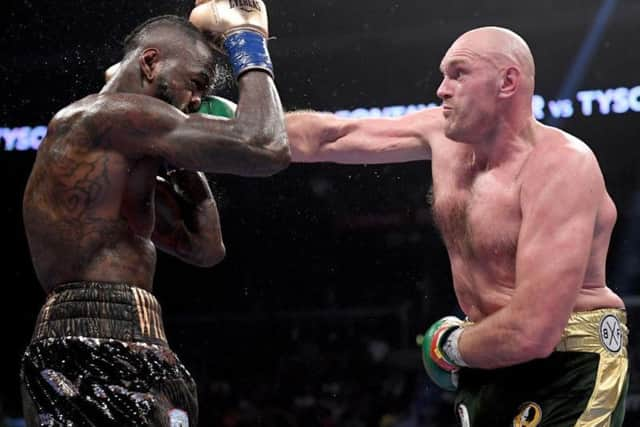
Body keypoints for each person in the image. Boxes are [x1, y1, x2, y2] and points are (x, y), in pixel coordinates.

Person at [285, 26, 628, 426]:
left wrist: (447, 346)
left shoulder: (561, 166)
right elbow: (329, 137)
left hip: (570, 365)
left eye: (458, 73)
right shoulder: (441, 134)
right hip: (485, 357)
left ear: (507, 81)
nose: (442, 89)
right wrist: (230, 123)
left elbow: (534, 331)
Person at [20, 0, 289, 425]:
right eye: (196, 82)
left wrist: (182, 159)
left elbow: (206, 248)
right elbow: (267, 146)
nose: (199, 100)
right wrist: (248, 41)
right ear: (150, 63)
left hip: (128, 329)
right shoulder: (104, 116)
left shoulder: (123, 152)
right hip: (94, 340)